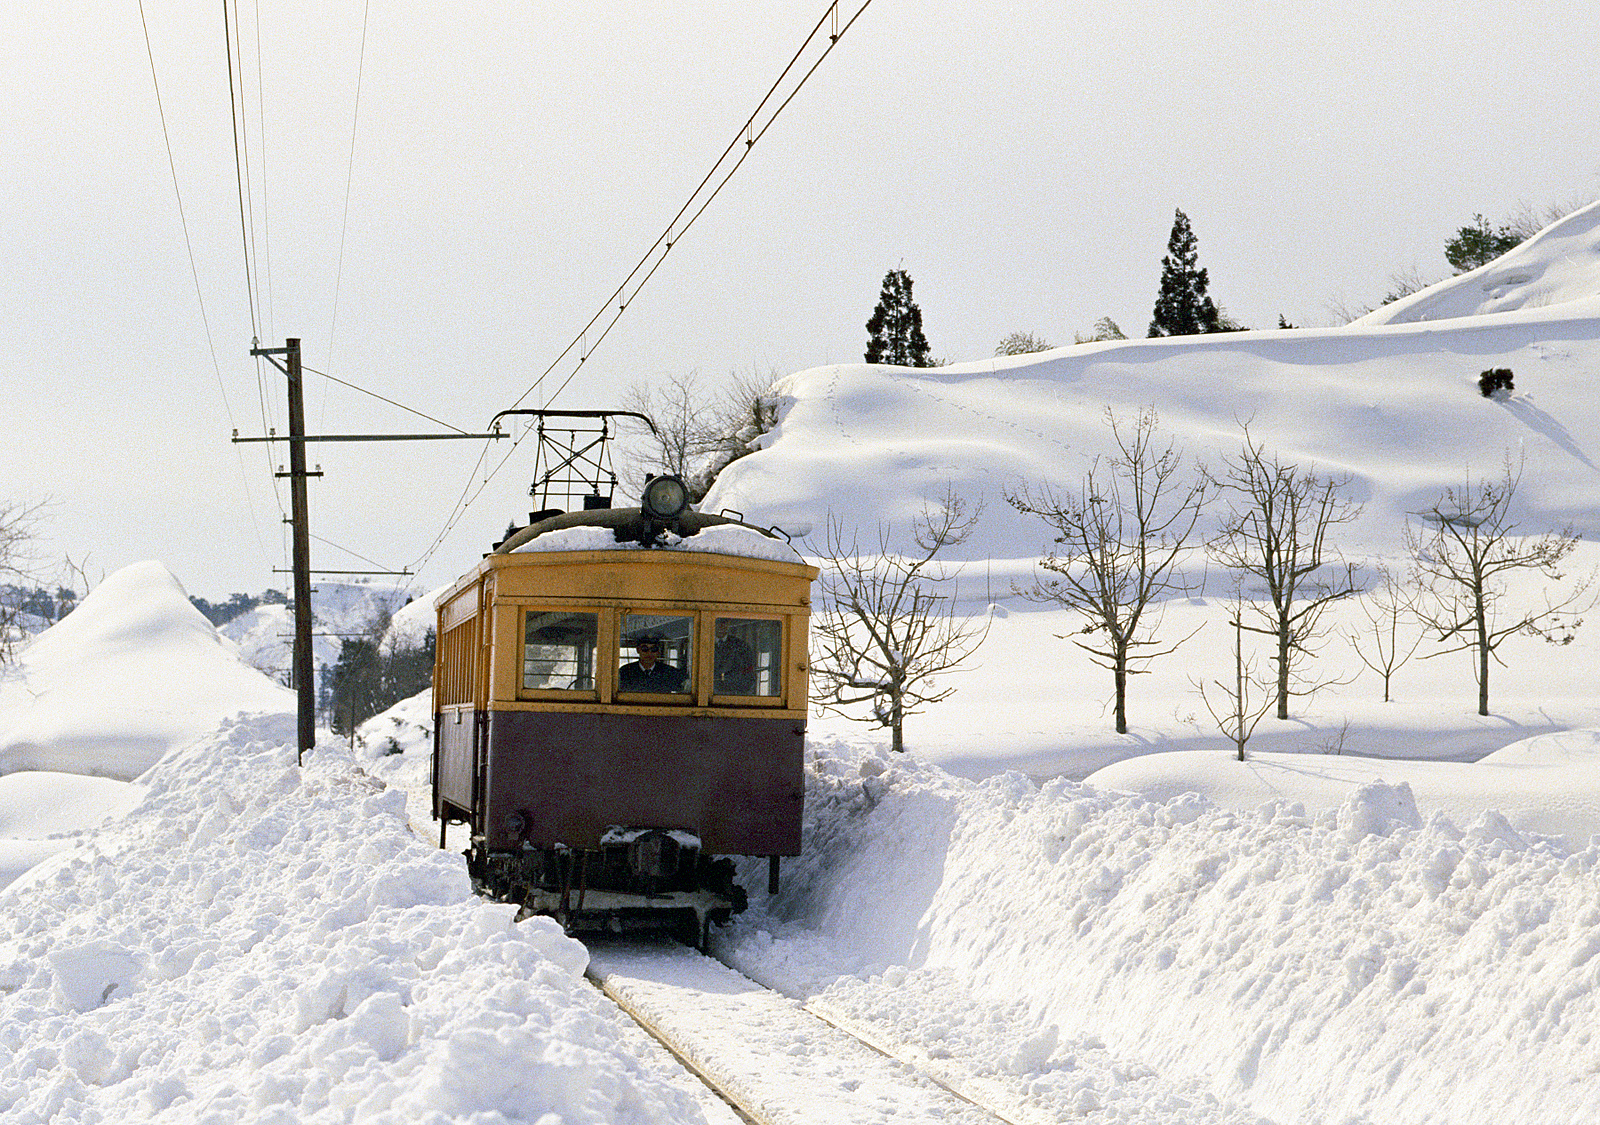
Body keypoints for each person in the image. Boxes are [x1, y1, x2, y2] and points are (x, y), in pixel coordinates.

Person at [618, 635, 687, 693]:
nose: (649, 653)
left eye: (654, 649)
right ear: (638, 650)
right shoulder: (625, 672)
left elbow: (685, 686)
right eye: (645, 648)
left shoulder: (669, 672)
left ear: (658, 651)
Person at [714, 622, 757, 695]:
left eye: (724, 622)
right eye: (718, 622)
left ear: (728, 624)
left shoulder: (741, 646)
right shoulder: (703, 642)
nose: (721, 626)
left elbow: (749, 675)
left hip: (734, 694)